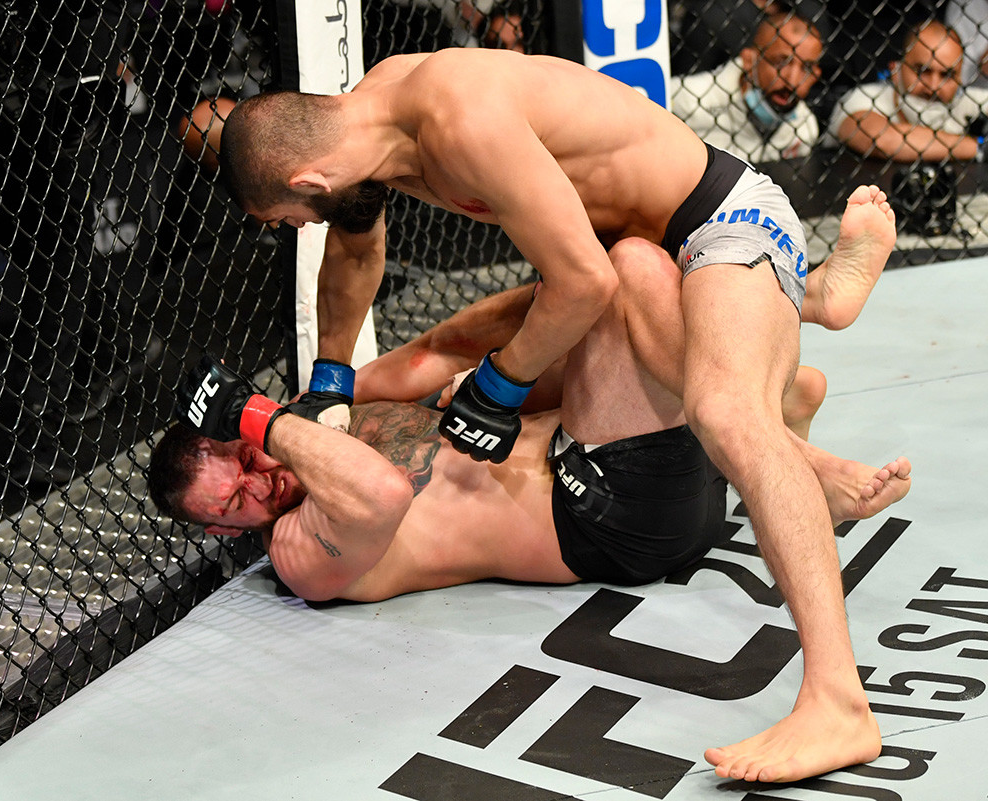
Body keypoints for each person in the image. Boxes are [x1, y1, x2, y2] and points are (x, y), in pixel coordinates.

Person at [215, 48, 902, 782]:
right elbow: (355, 258)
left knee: (726, 411)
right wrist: (327, 381)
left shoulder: (458, 121)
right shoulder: (365, 128)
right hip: (644, 258)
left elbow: (582, 282)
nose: (292, 230)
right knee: (672, 358)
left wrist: (500, 386)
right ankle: (806, 313)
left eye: (285, 219)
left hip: (715, 223)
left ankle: (838, 701)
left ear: (306, 182)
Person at [825, 19, 988, 162]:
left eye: (947, 75)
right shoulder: (864, 98)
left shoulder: (960, 103)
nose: (934, 85)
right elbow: (884, 141)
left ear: (960, 78)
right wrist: (981, 147)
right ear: (896, 70)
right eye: (922, 71)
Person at [670, 3, 824, 162]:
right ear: (750, 60)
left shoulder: (805, 129)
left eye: (806, 68)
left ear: (816, 75)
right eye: (780, 62)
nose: (792, 81)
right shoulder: (683, 99)